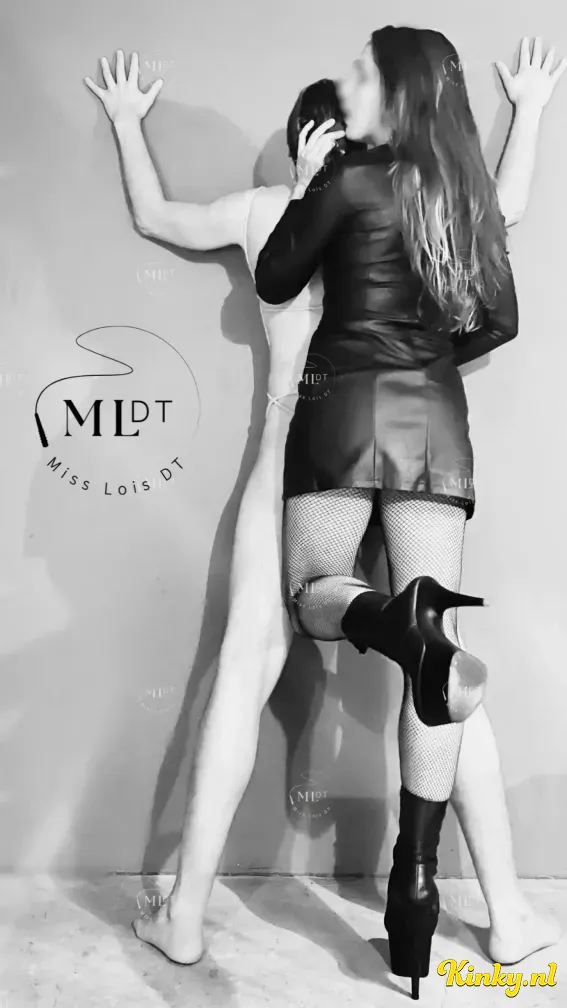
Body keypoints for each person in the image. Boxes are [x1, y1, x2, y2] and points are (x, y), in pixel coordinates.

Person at [83, 37, 564, 978]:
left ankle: (185, 916)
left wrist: (128, 124)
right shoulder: (435, 195)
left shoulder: (279, 206)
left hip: (308, 437)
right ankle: (497, 913)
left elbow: (158, 217)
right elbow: (502, 215)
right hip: (426, 433)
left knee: (254, 659)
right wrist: (532, 110)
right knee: (442, 674)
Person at [254, 28, 565, 998]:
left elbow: (274, 277)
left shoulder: (348, 178)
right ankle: (416, 880)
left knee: (314, 596)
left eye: (361, 72)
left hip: (341, 408)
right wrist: (426, 355)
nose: (348, 83)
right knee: (437, 670)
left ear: (394, 93)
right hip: (434, 422)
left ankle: (397, 624)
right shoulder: (466, 197)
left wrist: (305, 184)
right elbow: (500, 320)